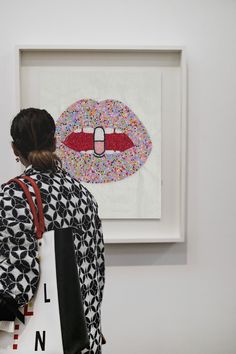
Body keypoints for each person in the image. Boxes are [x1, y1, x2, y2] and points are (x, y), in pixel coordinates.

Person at [0, 108, 105, 354]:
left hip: (42, 341)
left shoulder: (12, 196)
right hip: (85, 335)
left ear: (15, 149)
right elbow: (96, 268)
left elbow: (18, 283)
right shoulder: (83, 194)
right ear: (55, 142)